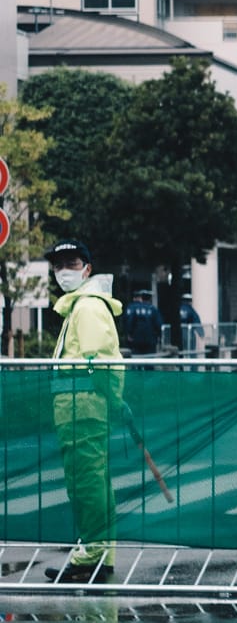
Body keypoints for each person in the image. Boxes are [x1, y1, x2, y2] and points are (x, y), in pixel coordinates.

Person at [43, 239, 124, 583]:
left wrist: (112, 399)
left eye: (72, 264)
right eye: (58, 265)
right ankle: (98, 554)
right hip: (80, 405)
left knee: (86, 481)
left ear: (87, 269)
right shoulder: (80, 306)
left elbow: (97, 361)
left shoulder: (88, 307)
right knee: (92, 479)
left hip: (82, 406)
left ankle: (92, 554)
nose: (64, 272)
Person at [121, 288, 162, 356]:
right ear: (150, 299)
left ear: (141, 298)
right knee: (150, 358)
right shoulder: (153, 309)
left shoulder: (135, 308)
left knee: (137, 358)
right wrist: (159, 336)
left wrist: (129, 334)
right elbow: (158, 324)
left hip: (136, 339)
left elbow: (130, 321)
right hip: (150, 340)